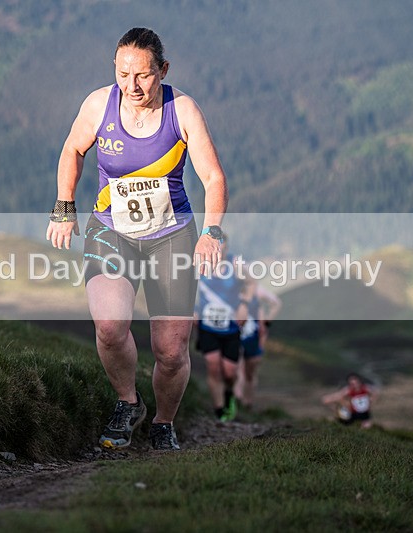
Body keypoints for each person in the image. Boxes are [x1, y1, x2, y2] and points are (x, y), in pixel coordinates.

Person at [46, 27, 228, 451]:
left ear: (162, 70)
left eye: (143, 75)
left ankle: (164, 423)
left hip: (172, 236)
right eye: (123, 73)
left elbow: (213, 176)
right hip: (112, 233)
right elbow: (73, 149)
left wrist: (212, 233)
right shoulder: (99, 104)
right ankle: (128, 403)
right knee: (109, 328)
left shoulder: (182, 110)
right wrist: (64, 207)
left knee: (169, 350)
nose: (131, 85)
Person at [194, 235, 248, 422]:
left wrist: (244, 305)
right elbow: (189, 287)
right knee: (212, 365)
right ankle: (219, 410)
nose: (221, 253)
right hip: (207, 326)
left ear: (227, 248)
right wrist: (193, 310)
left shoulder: (236, 264)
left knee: (229, 372)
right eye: (218, 249)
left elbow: (251, 283)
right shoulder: (201, 264)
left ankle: (229, 392)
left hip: (231, 327)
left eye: (224, 249)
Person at [234, 279, 281, 410]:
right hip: (242, 333)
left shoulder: (256, 290)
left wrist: (266, 322)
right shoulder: (237, 287)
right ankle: (240, 400)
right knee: (240, 368)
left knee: (248, 371)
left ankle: (246, 402)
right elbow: (276, 303)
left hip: (253, 333)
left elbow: (276, 303)